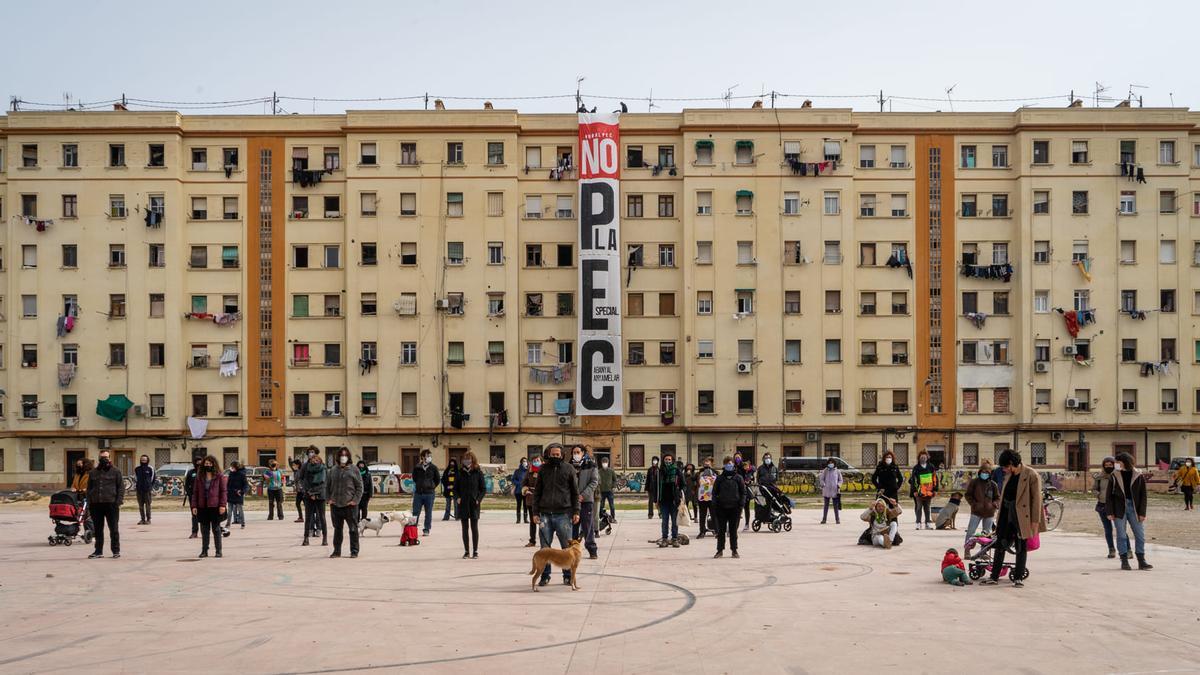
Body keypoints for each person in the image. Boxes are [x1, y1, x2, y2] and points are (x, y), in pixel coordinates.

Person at [981, 449, 1045, 587]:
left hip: (1021, 516)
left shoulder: (1031, 475)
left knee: (1021, 546)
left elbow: (1036, 501)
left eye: (1005, 467)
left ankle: (1018, 577)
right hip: (1005, 514)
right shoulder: (1008, 476)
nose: (1003, 470)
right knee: (1000, 544)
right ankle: (994, 576)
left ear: (1011, 463)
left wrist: (1035, 522)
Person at [532, 443, 580, 587]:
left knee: (566, 547)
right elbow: (537, 492)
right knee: (545, 548)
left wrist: (576, 511)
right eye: (553, 454)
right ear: (548, 455)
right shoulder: (542, 469)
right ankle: (545, 576)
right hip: (545, 514)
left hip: (564, 514)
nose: (555, 456)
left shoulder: (569, 469)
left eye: (557, 454)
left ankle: (567, 577)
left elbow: (575, 493)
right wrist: (535, 512)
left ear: (562, 455)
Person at [1106, 452, 1152, 571]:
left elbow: (1143, 495)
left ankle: (1142, 561)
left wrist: (1142, 513)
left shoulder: (1138, 475)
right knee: (1121, 535)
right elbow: (1109, 496)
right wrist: (1110, 511)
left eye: (1118, 462)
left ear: (1125, 462)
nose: (1116, 464)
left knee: (1140, 535)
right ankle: (1124, 561)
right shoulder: (1114, 475)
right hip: (1119, 508)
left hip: (1134, 508)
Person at [325, 448, 364, 558]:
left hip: (350, 505)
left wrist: (355, 500)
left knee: (353, 529)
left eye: (345, 455)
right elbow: (327, 486)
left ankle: (354, 551)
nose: (343, 457)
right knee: (338, 529)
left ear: (348, 457)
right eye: (341, 455)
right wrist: (329, 499)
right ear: (338, 457)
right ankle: (337, 551)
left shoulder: (354, 469)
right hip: (335, 505)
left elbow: (359, 487)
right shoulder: (332, 470)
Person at [86, 450, 123, 559]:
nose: (104, 459)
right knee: (98, 529)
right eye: (102, 457)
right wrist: (89, 502)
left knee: (114, 529)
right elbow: (89, 489)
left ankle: (116, 551)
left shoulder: (116, 471)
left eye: (106, 457)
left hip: (111, 504)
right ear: (99, 458)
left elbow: (121, 487)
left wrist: (118, 502)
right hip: (96, 504)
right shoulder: (93, 472)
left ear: (110, 458)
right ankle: (98, 551)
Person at [191, 455, 227, 558]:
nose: (208, 465)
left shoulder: (219, 476)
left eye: (210, 463)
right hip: (202, 506)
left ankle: (218, 551)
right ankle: (204, 551)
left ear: (214, 464)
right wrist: (194, 506)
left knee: (216, 529)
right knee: (204, 530)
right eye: (206, 464)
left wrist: (222, 505)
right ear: (203, 465)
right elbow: (195, 492)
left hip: (215, 506)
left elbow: (223, 491)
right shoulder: (199, 476)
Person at [711, 456, 746, 558]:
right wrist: (715, 504)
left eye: (730, 463)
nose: (729, 465)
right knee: (721, 531)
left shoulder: (738, 478)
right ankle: (719, 550)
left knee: (733, 531)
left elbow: (743, 492)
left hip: (734, 508)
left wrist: (741, 504)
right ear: (724, 465)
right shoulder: (720, 478)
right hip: (722, 508)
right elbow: (714, 493)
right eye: (727, 464)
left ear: (733, 465)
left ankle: (734, 550)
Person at [456, 451, 486, 558]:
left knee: (474, 528)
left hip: (474, 504)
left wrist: (478, 499)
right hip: (463, 503)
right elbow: (456, 489)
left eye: (468, 459)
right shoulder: (460, 472)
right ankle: (466, 551)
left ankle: (475, 551)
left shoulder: (478, 472)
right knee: (465, 528)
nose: (466, 461)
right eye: (464, 459)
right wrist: (458, 497)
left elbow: (483, 489)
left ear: (473, 460)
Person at [964, 462, 1000, 549]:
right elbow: (968, 495)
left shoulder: (993, 484)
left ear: (990, 473)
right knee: (971, 531)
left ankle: (984, 551)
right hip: (976, 511)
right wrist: (974, 504)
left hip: (989, 512)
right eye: (983, 472)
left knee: (986, 533)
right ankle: (967, 550)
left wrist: (994, 504)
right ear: (980, 472)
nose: (985, 474)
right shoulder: (974, 482)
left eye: (987, 472)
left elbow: (997, 497)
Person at [572, 446, 599, 559]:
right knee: (573, 527)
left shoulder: (591, 465)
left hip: (586, 501)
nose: (576, 454)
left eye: (578, 452)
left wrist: (583, 495)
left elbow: (594, 482)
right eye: (574, 452)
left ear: (583, 453)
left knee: (588, 527)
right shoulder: (568, 466)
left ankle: (592, 549)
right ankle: (572, 550)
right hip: (572, 502)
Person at [656, 451, 685, 547]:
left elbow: (683, 485)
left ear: (672, 461)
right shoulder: (660, 471)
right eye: (666, 459)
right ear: (663, 461)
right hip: (663, 501)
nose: (667, 461)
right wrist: (656, 500)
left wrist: (679, 494)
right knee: (664, 521)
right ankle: (664, 539)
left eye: (669, 459)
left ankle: (674, 539)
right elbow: (656, 486)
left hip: (674, 501)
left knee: (674, 521)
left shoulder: (677, 471)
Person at [301, 447, 328, 546]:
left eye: (317, 459)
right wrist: (309, 493)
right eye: (313, 459)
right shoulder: (306, 467)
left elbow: (325, 483)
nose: (314, 460)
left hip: (320, 495)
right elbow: (303, 481)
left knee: (322, 517)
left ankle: (324, 538)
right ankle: (306, 538)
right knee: (308, 517)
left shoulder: (323, 468)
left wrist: (317, 494)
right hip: (309, 495)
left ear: (320, 461)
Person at [411, 450, 439, 536]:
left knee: (428, 512)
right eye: (427, 455)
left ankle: (426, 529)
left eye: (430, 455)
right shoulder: (417, 467)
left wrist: (431, 486)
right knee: (415, 512)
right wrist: (420, 485)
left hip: (429, 494)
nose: (429, 457)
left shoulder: (433, 467)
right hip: (418, 493)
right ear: (423, 457)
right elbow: (414, 478)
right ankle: (413, 528)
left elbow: (437, 480)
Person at [1094, 456, 1117, 558]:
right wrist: (1097, 494)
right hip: (1102, 505)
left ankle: (1127, 550)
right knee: (1108, 529)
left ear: (1114, 465)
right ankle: (1111, 549)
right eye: (1106, 465)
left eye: (1110, 465)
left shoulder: (1118, 476)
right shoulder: (1099, 477)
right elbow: (1094, 489)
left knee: (1120, 529)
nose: (1108, 467)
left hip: (1116, 506)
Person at [908, 451, 938, 530]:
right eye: (921, 457)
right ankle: (918, 523)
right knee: (919, 507)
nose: (923, 458)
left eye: (925, 457)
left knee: (927, 507)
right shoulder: (916, 468)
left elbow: (935, 478)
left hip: (929, 491)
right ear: (919, 458)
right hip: (919, 491)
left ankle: (927, 523)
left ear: (927, 457)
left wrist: (935, 489)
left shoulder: (931, 467)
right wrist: (914, 491)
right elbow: (913, 480)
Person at [521, 456, 542, 546]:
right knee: (532, 521)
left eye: (538, 460)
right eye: (534, 461)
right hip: (531, 499)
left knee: (542, 522)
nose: (536, 462)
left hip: (542, 500)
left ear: (541, 461)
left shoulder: (544, 471)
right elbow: (524, 483)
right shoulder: (529, 472)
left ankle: (544, 540)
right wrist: (526, 490)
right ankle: (532, 540)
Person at [696, 457, 717, 537]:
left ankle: (716, 530)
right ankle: (702, 531)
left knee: (714, 514)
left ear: (711, 463)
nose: (706, 463)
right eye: (705, 462)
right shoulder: (699, 473)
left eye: (708, 462)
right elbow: (695, 481)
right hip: (702, 497)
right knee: (702, 515)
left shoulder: (715, 472)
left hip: (712, 497)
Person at [819, 458, 843, 524]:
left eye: (832, 463)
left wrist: (838, 485)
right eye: (829, 463)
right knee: (826, 506)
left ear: (834, 464)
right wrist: (823, 484)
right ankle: (824, 519)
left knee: (836, 506)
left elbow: (840, 480)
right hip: (826, 491)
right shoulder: (825, 471)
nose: (830, 464)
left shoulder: (837, 471)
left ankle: (837, 519)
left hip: (835, 491)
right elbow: (821, 479)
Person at [225, 462, 247, 529]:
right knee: (229, 511)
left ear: (236, 467)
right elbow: (228, 484)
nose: (231, 468)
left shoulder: (242, 474)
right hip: (231, 494)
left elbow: (246, 485)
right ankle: (228, 524)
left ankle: (243, 523)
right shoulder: (231, 474)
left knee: (240, 510)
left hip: (238, 495)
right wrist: (227, 491)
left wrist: (242, 491)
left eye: (232, 467)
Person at [736, 454, 755, 531]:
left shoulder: (750, 470)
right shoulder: (738, 469)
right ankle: (735, 524)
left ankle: (747, 523)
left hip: (746, 491)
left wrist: (750, 479)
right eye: (736, 457)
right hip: (738, 491)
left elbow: (753, 470)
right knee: (738, 508)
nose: (737, 459)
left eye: (739, 457)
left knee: (746, 507)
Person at [134, 454, 155, 525]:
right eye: (142, 460)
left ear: (147, 460)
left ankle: (148, 519)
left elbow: (153, 478)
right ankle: (142, 519)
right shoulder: (137, 469)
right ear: (140, 460)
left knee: (148, 505)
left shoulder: (150, 468)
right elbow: (135, 478)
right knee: (140, 505)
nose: (143, 461)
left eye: (145, 460)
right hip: (139, 490)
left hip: (147, 490)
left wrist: (149, 486)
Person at [184, 457, 202, 538]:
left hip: (203, 497)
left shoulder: (205, 472)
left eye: (200, 462)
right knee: (194, 515)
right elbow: (187, 485)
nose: (198, 463)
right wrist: (190, 493)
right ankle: (194, 532)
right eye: (197, 462)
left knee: (205, 515)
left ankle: (205, 532)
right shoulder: (191, 472)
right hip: (193, 497)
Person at [597, 455, 617, 523]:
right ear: (601, 463)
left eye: (606, 462)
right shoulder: (599, 471)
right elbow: (596, 481)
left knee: (612, 505)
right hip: (601, 492)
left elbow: (615, 480)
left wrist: (614, 487)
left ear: (608, 463)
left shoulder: (611, 471)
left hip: (609, 491)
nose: (604, 463)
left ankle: (613, 518)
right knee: (601, 506)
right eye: (603, 462)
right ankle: (602, 518)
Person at [512, 457, 530, 524]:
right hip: (518, 491)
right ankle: (518, 519)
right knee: (518, 505)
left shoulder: (528, 471)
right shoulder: (517, 471)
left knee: (525, 505)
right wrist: (519, 483)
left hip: (525, 491)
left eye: (525, 461)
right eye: (523, 461)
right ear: (521, 462)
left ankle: (525, 519)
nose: (524, 462)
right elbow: (513, 479)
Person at [290, 459, 306, 523]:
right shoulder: (297, 471)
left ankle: (309, 517)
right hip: (299, 491)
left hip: (303, 490)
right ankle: (300, 517)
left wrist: (302, 488)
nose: (293, 466)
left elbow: (302, 480)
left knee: (306, 505)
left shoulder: (302, 471)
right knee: (297, 503)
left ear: (297, 465)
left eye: (294, 465)